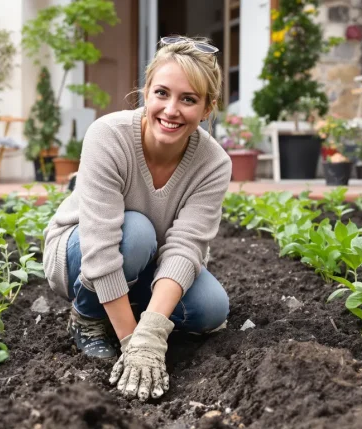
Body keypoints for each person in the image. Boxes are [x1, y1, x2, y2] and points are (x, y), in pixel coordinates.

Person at [43, 35, 232, 402]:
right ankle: (88, 316)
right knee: (137, 232)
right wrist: (134, 344)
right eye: (162, 93)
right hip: (80, 256)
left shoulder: (214, 164)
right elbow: (99, 247)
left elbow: (186, 248)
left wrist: (153, 333)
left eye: (188, 99)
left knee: (211, 308)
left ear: (207, 108)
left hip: (150, 263)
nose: (171, 109)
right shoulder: (109, 136)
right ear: (146, 91)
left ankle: (126, 310)